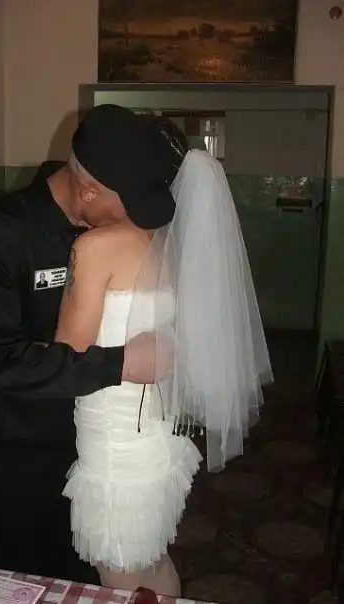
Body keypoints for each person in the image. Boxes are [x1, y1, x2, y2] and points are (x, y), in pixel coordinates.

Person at [0, 104, 183, 582]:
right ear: (88, 190)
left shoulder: (109, 233)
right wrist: (121, 364)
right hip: (23, 453)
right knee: (13, 580)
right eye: (128, 208)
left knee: (87, 582)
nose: (134, 222)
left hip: (98, 451)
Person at [55, 149, 273, 594]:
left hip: (115, 440)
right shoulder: (168, 242)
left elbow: (66, 355)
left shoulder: (96, 246)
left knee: (120, 574)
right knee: (153, 561)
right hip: (157, 429)